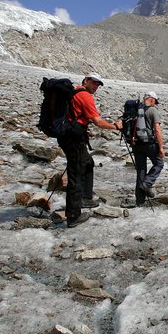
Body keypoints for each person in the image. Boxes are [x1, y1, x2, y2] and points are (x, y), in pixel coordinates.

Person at [59, 73, 121, 227]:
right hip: (73, 139)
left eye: (98, 84)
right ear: (86, 81)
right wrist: (115, 126)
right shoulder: (85, 96)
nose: (96, 87)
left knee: (87, 163)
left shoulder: (75, 93)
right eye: (94, 83)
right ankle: (73, 215)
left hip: (70, 137)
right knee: (75, 173)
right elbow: (98, 122)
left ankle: (85, 198)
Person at [132, 92, 165, 205]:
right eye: (155, 101)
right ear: (151, 99)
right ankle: (147, 183)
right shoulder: (152, 110)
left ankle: (139, 201)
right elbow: (157, 129)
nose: (155, 104)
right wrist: (161, 147)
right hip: (150, 144)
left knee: (141, 171)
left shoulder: (136, 109)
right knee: (159, 164)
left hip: (136, 144)